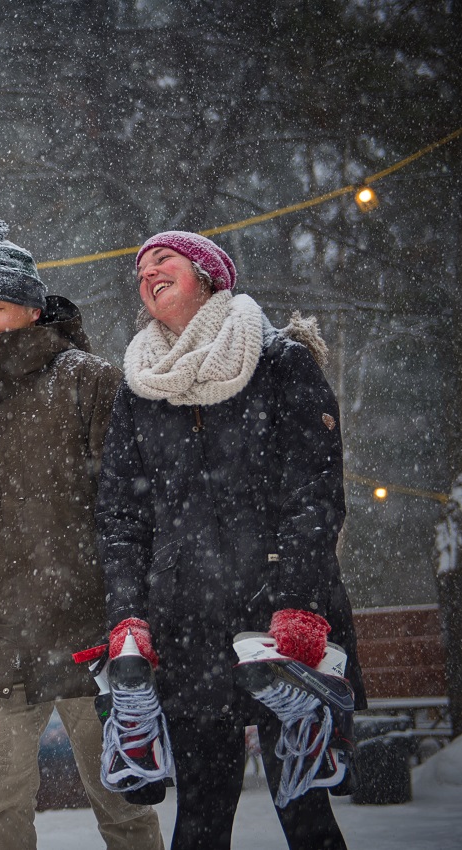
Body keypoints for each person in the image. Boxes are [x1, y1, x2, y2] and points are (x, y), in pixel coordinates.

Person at [96, 231, 367, 850]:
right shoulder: (140, 387)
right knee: (199, 821)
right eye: (140, 271)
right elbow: (120, 519)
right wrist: (127, 619)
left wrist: (299, 602)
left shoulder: (279, 361)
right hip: (187, 623)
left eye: (162, 261)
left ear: (209, 275)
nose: (147, 274)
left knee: (306, 814)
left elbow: (315, 494)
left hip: (281, 618)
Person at [0, 215, 165, 850]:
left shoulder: (93, 383)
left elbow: (136, 513)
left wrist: (135, 624)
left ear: (30, 308)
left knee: (126, 810)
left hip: (94, 641)